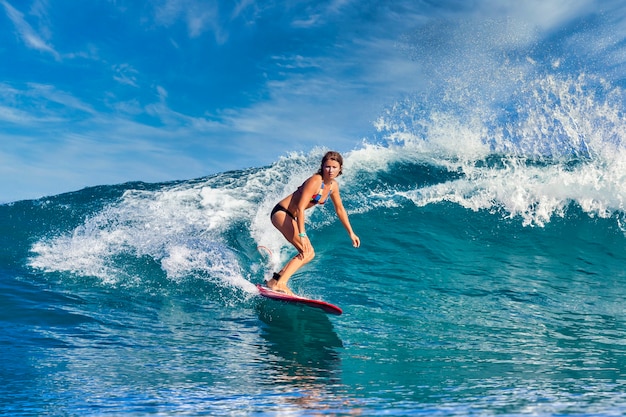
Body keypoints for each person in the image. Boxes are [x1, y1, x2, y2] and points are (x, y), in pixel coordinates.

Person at [267, 151, 360, 294]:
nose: (330, 170)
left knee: (309, 254)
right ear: (322, 167)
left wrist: (351, 233)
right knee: (306, 251)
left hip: (291, 216)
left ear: (340, 168)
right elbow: (300, 207)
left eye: (334, 167)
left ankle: (275, 281)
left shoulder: (333, 186)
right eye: (327, 167)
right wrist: (302, 233)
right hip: (282, 213)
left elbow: (340, 210)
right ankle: (281, 284)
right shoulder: (316, 181)